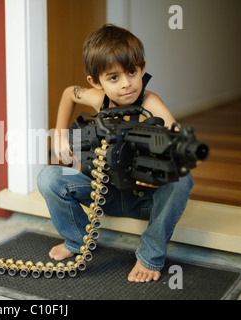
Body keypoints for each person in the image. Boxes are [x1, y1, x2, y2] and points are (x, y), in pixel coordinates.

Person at [37, 24, 194, 283]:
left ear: (142, 67)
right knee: (48, 177)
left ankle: (150, 255)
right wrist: (61, 134)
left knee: (182, 178)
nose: (126, 84)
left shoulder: (150, 103)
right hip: (103, 193)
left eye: (132, 72)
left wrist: (161, 169)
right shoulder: (99, 99)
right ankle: (77, 240)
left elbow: (180, 145)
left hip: (145, 200)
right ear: (95, 81)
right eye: (113, 78)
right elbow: (68, 94)